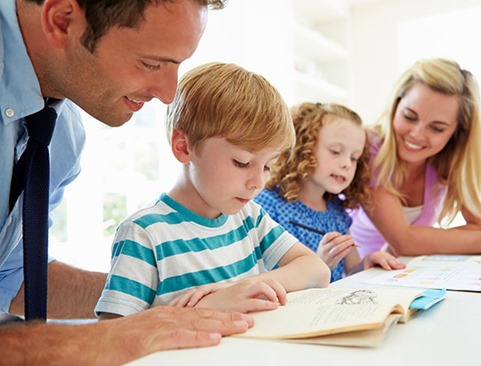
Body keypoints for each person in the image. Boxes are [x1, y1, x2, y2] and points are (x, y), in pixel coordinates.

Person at [1, 0, 255, 364]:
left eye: (176, 65)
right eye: (150, 63)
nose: (169, 94)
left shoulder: (61, 139)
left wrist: (178, 297)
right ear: (61, 20)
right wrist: (87, 343)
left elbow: (10, 274)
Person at [95, 62, 331, 319]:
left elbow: (317, 270)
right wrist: (206, 307)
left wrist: (242, 288)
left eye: (267, 166)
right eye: (242, 162)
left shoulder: (250, 218)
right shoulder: (144, 234)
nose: (257, 183)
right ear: (184, 147)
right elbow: (112, 334)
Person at [349, 58, 481, 257]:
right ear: (395, 105)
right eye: (409, 116)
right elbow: (404, 242)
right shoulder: (368, 149)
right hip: (360, 274)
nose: (417, 134)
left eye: (437, 128)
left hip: (410, 273)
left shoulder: (450, 159)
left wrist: (422, 241)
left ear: (457, 133)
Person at [254, 102, 404, 283]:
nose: (347, 164)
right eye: (335, 151)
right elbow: (260, 281)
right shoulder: (267, 205)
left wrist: (367, 263)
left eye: (354, 158)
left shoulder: (336, 211)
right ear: (303, 149)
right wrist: (318, 265)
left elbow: (352, 270)